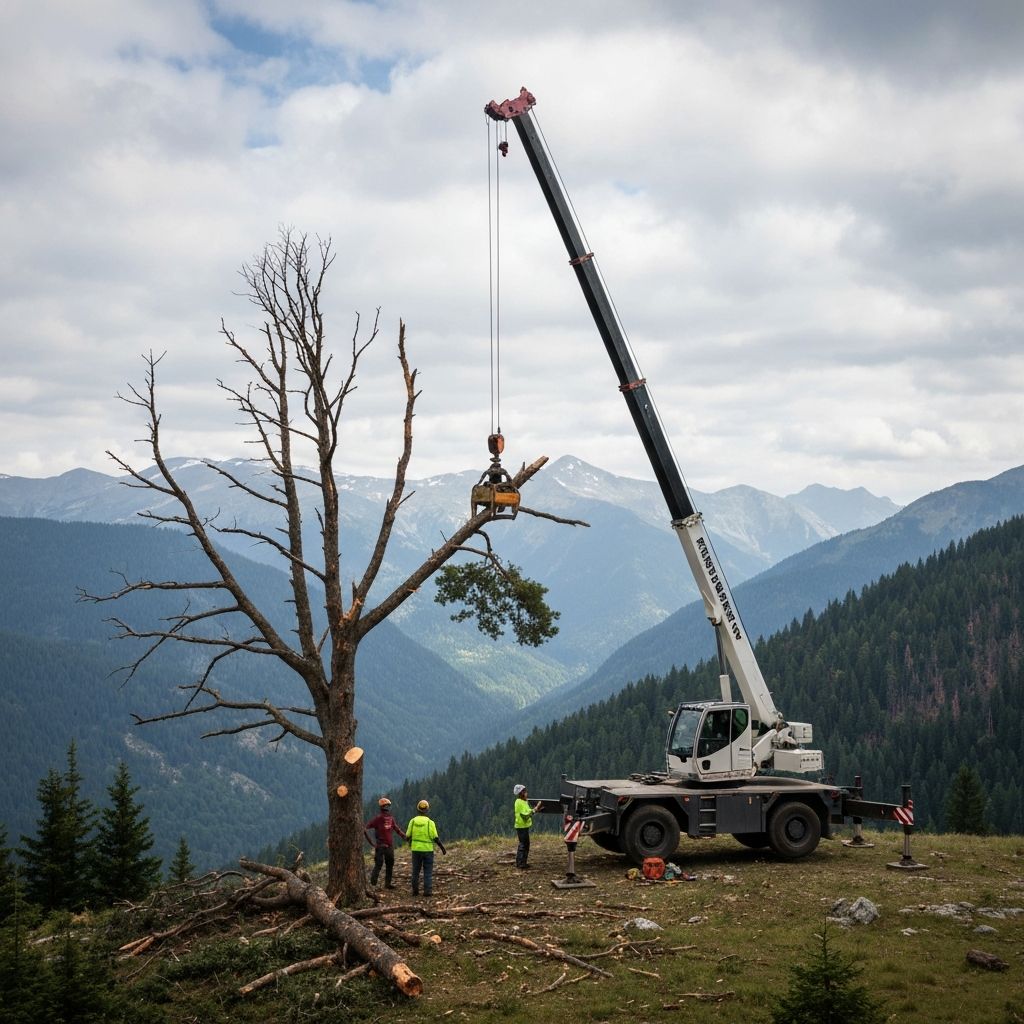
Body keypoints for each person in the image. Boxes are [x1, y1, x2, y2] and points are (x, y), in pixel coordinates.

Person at [364, 797, 407, 889]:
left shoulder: (388, 818)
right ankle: (374, 884)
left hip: (386, 846)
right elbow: (365, 828)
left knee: (387, 864)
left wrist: (404, 836)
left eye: (387, 806)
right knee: (381, 864)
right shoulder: (378, 819)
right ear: (383, 807)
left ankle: (383, 884)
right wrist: (372, 843)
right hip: (382, 846)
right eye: (386, 806)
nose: (387, 808)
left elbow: (396, 828)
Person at [406, 799, 440, 897]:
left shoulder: (413, 821)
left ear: (418, 809)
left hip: (416, 850)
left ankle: (415, 891)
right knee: (428, 872)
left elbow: (408, 835)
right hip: (428, 850)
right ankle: (427, 891)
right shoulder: (430, 823)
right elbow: (435, 837)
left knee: (415, 871)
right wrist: (442, 848)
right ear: (427, 810)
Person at [513, 783, 541, 869]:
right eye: (525, 792)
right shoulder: (519, 802)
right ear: (521, 793)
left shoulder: (523, 802)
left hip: (523, 826)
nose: (526, 793)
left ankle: (523, 862)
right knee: (523, 844)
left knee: (526, 844)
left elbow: (528, 811)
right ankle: (520, 863)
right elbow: (525, 815)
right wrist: (535, 809)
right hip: (521, 827)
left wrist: (535, 810)